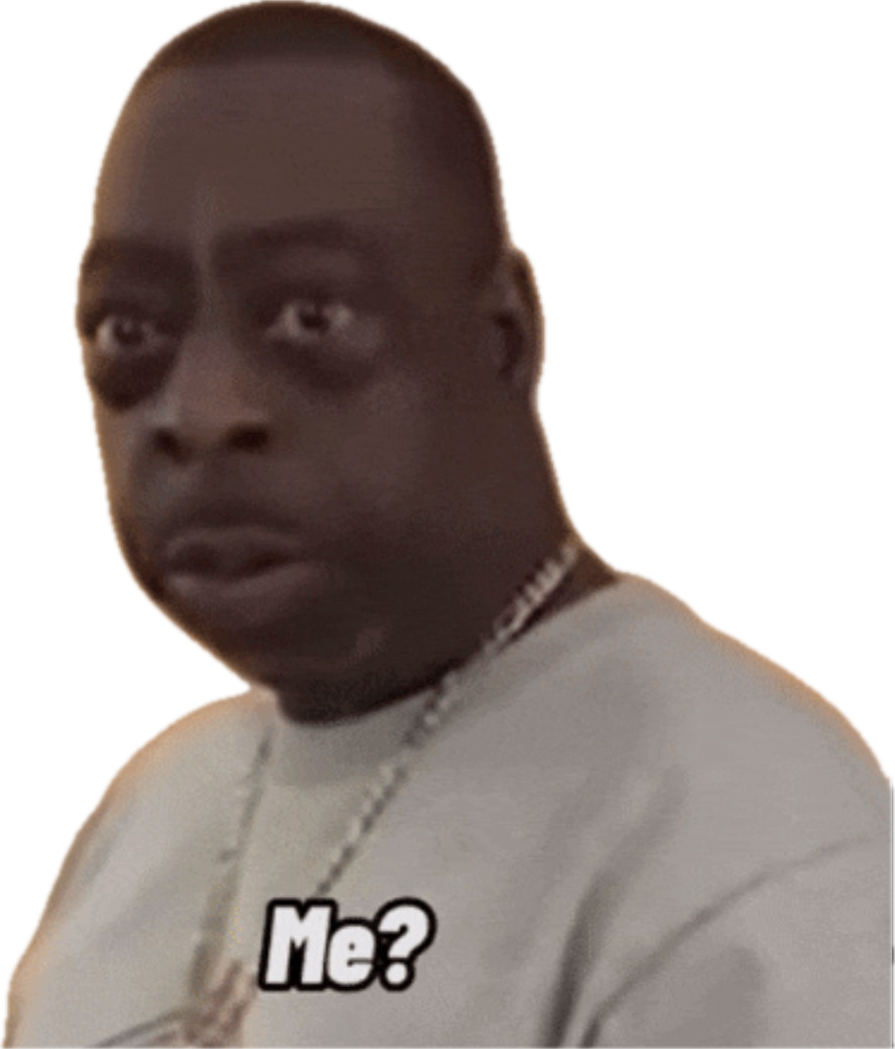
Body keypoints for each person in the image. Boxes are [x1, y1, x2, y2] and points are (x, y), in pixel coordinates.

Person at [4, 2, 890, 1046]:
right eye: (130, 330)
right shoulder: (150, 809)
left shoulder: (743, 837)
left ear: (504, 336)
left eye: (310, 316)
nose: (200, 412)